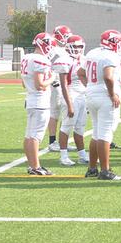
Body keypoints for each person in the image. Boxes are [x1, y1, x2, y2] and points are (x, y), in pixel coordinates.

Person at [80, 29, 121, 181]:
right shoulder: (110, 55)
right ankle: (105, 171)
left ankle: (92, 168)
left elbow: (80, 73)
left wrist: (90, 86)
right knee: (105, 134)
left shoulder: (93, 52)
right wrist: (112, 94)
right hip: (104, 97)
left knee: (96, 133)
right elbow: (108, 77)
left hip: (92, 95)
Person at [21, 32, 56, 176]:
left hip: (30, 100)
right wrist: (52, 78)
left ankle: (32, 165)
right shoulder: (41, 60)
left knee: (29, 135)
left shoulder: (27, 57)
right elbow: (40, 85)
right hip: (39, 101)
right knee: (35, 136)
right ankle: (35, 167)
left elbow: (24, 83)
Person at [56, 35, 89, 166]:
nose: (78, 49)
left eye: (80, 46)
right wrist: (69, 104)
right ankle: (63, 155)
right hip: (70, 94)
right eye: (75, 46)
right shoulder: (64, 60)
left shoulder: (84, 59)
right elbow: (63, 84)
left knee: (80, 127)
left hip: (82, 95)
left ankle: (82, 155)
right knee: (67, 126)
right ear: (68, 47)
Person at [47, 25, 72, 153]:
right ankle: (52, 142)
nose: (67, 38)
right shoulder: (55, 50)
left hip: (62, 83)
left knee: (63, 111)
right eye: (66, 35)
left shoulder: (62, 49)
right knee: (55, 112)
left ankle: (63, 141)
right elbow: (49, 67)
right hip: (55, 84)